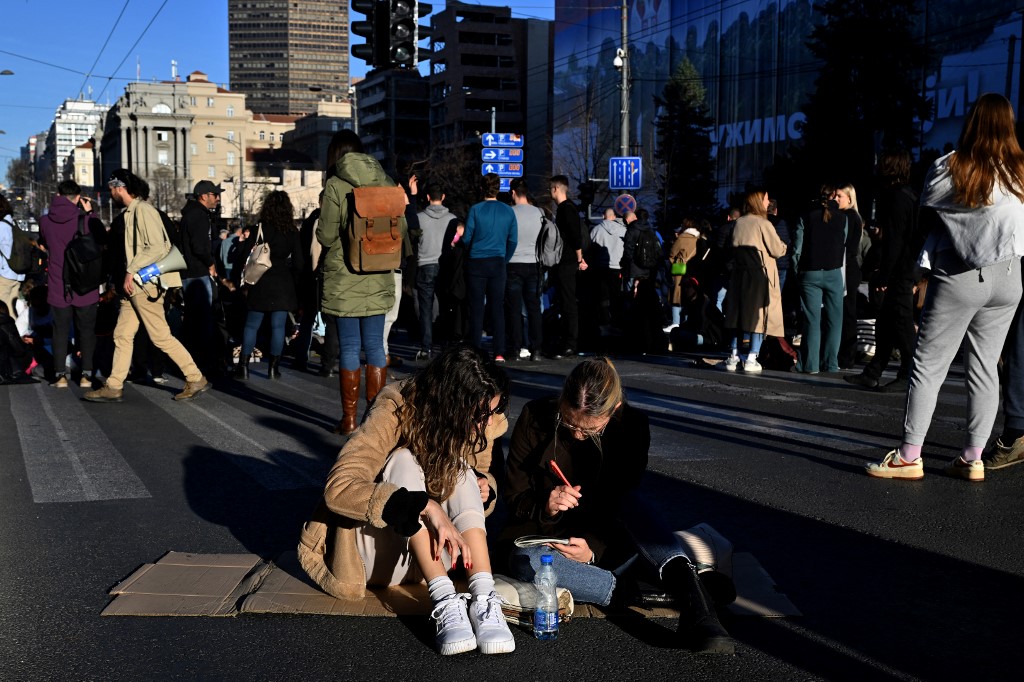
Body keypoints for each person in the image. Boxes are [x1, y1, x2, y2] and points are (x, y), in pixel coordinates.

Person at [503, 357, 735, 654]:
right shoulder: (535, 415)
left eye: (589, 431)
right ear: (561, 399)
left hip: (607, 537)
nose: (576, 434)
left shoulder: (632, 427)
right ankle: (673, 589)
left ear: (613, 411)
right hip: (546, 539)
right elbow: (514, 495)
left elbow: (618, 500)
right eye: (569, 421)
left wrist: (592, 551)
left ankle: (696, 604)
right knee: (525, 561)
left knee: (633, 503)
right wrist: (546, 506)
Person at [297, 345, 516, 656]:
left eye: (494, 411)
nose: (486, 423)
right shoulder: (395, 407)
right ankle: (445, 601)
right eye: (480, 415)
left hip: (442, 554)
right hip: (377, 557)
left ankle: (484, 598)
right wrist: (426, 505)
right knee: (402, 459)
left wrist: (486, 488)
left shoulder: (485, 416)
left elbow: (481, 473)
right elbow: (339, 487)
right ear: (452, 404)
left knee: (463, 470)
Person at [865, 93, 1024, 482]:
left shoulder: (952, 167)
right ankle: (973, 457)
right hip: (1010, 276)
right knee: (985, 366)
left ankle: (908, 455)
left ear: (971, 122)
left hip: (961, 274)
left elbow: (931, 208)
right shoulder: (1019, 171)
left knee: (929, 363)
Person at [83, 169, 210, 404]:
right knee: (122, 334)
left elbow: (157, 247)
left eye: (112, 188)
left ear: (120, 187)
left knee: (160, 336)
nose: (111, 193)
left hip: (145, 284)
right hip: (135, 286)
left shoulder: (143, 211)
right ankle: (114, 385)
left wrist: (131, 270)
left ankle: (195, 377)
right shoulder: (133, 212)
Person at [316, 129, 407, 435]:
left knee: (351, 347)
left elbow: (326, 236)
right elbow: (402, 229)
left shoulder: (335, 184)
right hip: (379, 272)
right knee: (376, 346)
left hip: (344, 278)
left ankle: (350, 419)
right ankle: (375, 419)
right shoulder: (385, 181)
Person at [845, 150, 919, 392]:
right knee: (886, 322)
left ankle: (908, 374)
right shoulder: (904, 195)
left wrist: (884, 275)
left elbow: (897, 240)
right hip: (901, 267)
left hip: (898, 270)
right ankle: (873, 371)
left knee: (900, 321)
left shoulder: (897, 197)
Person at [37, 180, 105, 388]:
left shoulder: (45, 221)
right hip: (85, 284)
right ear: (78, 197)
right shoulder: (84, 219)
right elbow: (100, 239)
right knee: (86, 330)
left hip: (59, 284)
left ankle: (59, 376)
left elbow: (43, 243)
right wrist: (90, 212)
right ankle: (86, 374)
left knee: (60, 330)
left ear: (57, 195)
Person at [233, 191, 303, 381]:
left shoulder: (259, 229)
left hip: (260, 282)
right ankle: (274, 369)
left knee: (251, 326)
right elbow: (299, 264)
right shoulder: (292, 231)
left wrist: (239, 281)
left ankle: (244, 367)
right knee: (278, 327)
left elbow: (243, 257)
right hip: (283, 284)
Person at [723, 190, 787, 372]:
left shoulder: (738, 223)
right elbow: (776, 249)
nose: (768, 203)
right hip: (760, 275)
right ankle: (752, 356)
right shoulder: (763, 223)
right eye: (766, 199)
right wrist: (784, 246)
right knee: (759, 316)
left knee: (737, 315)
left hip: (739, 275)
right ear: (759, 202)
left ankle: (733, 355)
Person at [791, 187, 848, 374]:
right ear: (833, 196)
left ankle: (811, 365)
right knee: (835, 320)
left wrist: (797, 270)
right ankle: (831, 363)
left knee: (812, 320)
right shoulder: (842, 218)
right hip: (833, 271)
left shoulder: (806, 215)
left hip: (810, 271)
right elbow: (844, 241)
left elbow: (797, 248)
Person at [463, 173, 517, 362]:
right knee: (497, 309)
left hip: (476, 263)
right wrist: (504, 259)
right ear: (498, 188)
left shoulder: (475, 210)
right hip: (497, 263)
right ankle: (499, 352)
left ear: (482, 188)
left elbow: (466, 238)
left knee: (476, 309)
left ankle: (475, 352)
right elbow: (513, 240)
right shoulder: (508, 211)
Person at [179, 181, 223, 375]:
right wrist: (210, 263)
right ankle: (203, 362)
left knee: (194, 319)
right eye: (215, 194)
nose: (218, 198)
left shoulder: (194, 214)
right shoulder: (198, 216)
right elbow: (200, 246)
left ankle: (193, 361)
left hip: (192, 272)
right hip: (197, 273)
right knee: (203, 319)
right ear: (204, 196)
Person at [415, 182, 458, 360]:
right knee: (446, 307)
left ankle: (426, 347)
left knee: (425, 308)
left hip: (425, 265)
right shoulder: (453, 219)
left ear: (427, 197)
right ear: (443, 197)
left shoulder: (419, 218)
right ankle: (445, 344)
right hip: (445, 266)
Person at [505, 178, 545, 361]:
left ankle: (515, 348)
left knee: (514, 308)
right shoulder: (540, 213)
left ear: (513, 193)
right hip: (534, 264)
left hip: (513, 263)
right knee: (534, 308)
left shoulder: (509, 213)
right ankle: (536, 349)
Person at [549, 175, 586, 357]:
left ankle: (570, 342)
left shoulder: (565, 209)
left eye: (550, 189)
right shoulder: (570, 208)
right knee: (566, 301)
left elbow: (574, 234)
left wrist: (580, 257)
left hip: (567, 261)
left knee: (568, 302)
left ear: (556, 189)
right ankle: (567, 340)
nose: (550, 193)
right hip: (568, 260)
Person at [589, 207, 626, 336]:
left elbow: (590, 249)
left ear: (603, 216)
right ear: (614, 217)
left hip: (601, 268)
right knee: (616, 295)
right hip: (617, 268)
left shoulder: (596, 230)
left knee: (602, 296)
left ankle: (604, 321)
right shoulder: (623, 230)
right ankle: (617, 320)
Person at [666, 219, 705, 332]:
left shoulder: (682, 238)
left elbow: (672, 253)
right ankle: (687, 321)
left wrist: (676, 262)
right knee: (690, 295)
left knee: (676, 295)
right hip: (693, 270)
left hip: (680, 270)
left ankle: (675, 322)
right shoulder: (699, 239)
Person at [0, 193, 26, 315]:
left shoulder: (1, 226)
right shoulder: (13, 223)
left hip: (4, 275)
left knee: (2, 312)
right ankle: (14, 333)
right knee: (11, 311)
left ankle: (7, 334)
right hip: (17, 274)